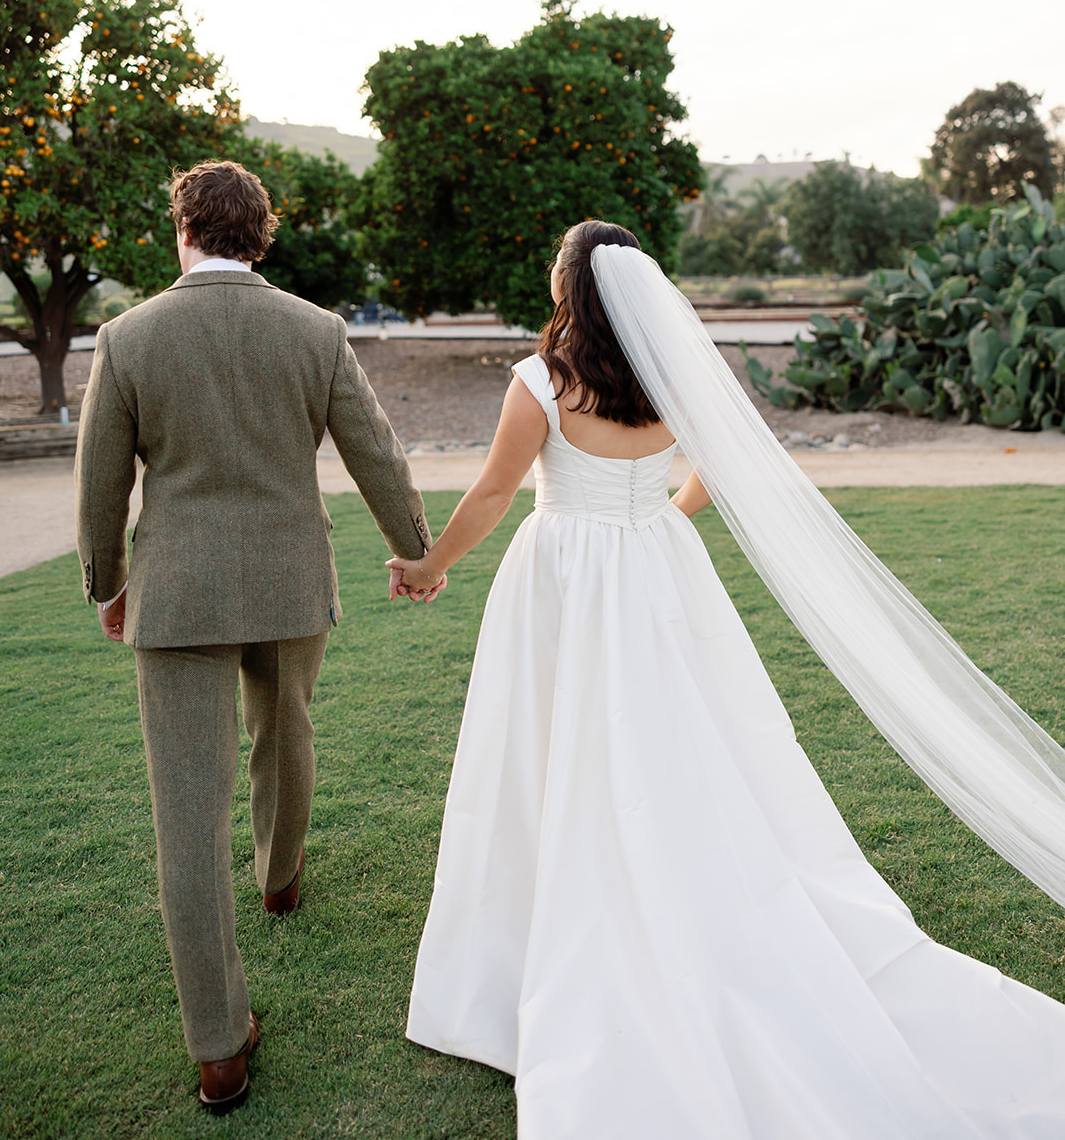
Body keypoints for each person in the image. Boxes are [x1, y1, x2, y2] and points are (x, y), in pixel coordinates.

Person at [388, 218, 1065, 1140]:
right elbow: (723, 465)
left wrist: (430, 567)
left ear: (569, 287)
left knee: (552, 741)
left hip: (564, 575)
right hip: (658, 567)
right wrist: (660, 509)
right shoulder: (673, 375)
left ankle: (554, 922)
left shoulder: (541, 381)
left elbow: (496, 493)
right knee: (678, 736)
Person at [75, 158, 436, 1116]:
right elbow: (376, 451)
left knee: (186, 814)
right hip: (288, 583)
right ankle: (280, 882)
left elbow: (100, 485)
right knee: (288, 731)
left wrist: (108, 586)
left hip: (178, 595)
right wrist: (416, 553)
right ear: (260, 233)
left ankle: (218, 1051)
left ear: (183, 229)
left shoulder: (128, 336)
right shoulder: (315, 330)